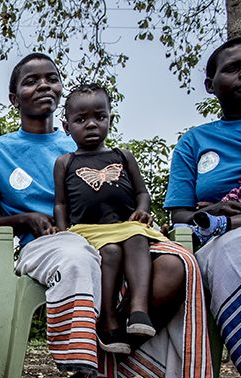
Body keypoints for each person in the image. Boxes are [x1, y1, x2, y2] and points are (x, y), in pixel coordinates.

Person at [0, 53, 213, 378]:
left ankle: (117, 348)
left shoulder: (87, 137)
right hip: (48, 244)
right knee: (77, 254)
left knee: (177, 264)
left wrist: (140, 215)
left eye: (51, 78)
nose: (44, 86)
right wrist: (24, 219)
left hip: (114, 237)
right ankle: (84, 376)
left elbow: (125, 192)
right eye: (31, 81)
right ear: (14, 97)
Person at [167, 37, 241, 378]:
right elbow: (179, 215)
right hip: (221, 240)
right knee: (237, 249)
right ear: (211, 84)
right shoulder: (196, 141)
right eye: (233, 67)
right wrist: (216, 210)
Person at [52, 83, 166, 354]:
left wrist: (142, 210)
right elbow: (60, 202)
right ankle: (109, 320)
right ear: (67, 126)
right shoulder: (65, 162)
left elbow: (141, 192)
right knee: (111, 253)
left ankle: (139, 309)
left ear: (110, 120)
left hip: (124, 225)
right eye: (80, 120)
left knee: (137, 236)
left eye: (99, 117)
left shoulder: (123, 156)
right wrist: (62, 229)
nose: (91, 125)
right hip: (89, 230)